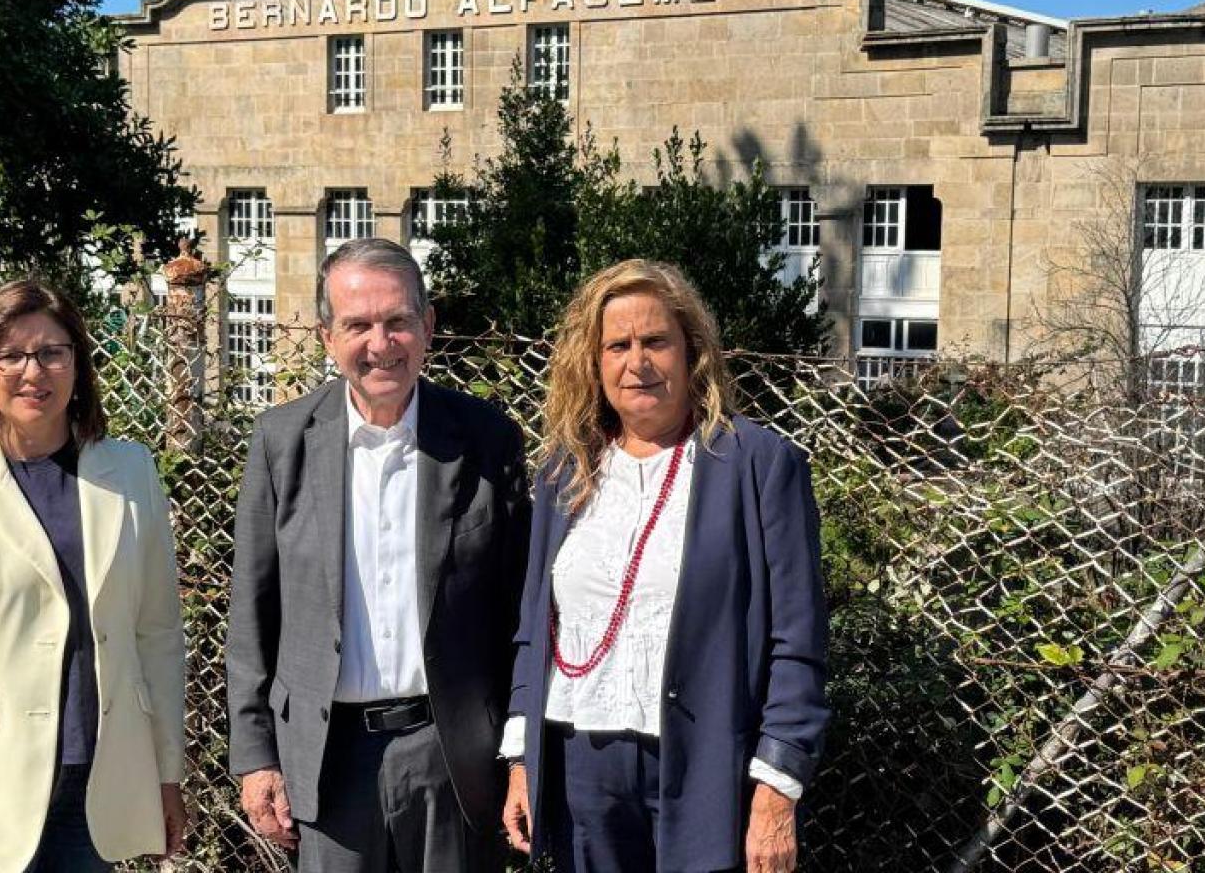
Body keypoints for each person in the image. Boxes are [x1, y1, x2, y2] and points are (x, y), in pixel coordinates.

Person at [500, 259, 830, 873]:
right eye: (617, 345)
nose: (638, 362)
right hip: (579, 766)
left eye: (656, 341)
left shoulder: (757, 465)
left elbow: (798, 640)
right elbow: (532, 630)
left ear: (692, 351)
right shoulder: (563, 475)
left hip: (706, 768)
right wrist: (523, 761)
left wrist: (779, 785)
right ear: (593, 364)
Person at [226, 238, 531, 872]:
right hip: (327, 755)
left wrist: (521, 751)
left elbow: (519, 614)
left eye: (397, 321)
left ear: (427, 326)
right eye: (357, 324)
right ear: (327, 335)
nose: (380, 343)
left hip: (449, 753)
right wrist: (255, 757)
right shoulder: (282, 442)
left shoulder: (484, 439)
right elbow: (253, 614)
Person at [0, 281, 189, 873]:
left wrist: (167, 775)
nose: (33, 371)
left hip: (101, 787)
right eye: (10, 355)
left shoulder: (129, 471)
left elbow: (158, 636)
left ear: (77, 363)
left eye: (52, 351)